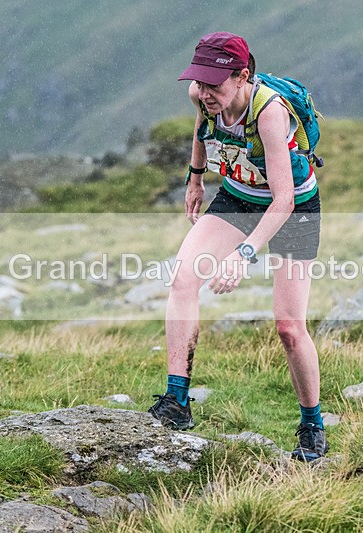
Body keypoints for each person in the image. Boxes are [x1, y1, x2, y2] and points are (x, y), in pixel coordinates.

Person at [148, 32, 327, 462]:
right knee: (183, 279)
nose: (205, 92)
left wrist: (244, 254)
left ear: (242, 76)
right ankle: (177, 402)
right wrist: (195, 178)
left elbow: (283, 200)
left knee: (289, 327)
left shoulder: (269, 113)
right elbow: (201, 127)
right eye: (200, 82)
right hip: (237, 197)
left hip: (293, 206)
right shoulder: (201, 95)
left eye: (215, 84)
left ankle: (312, 426)